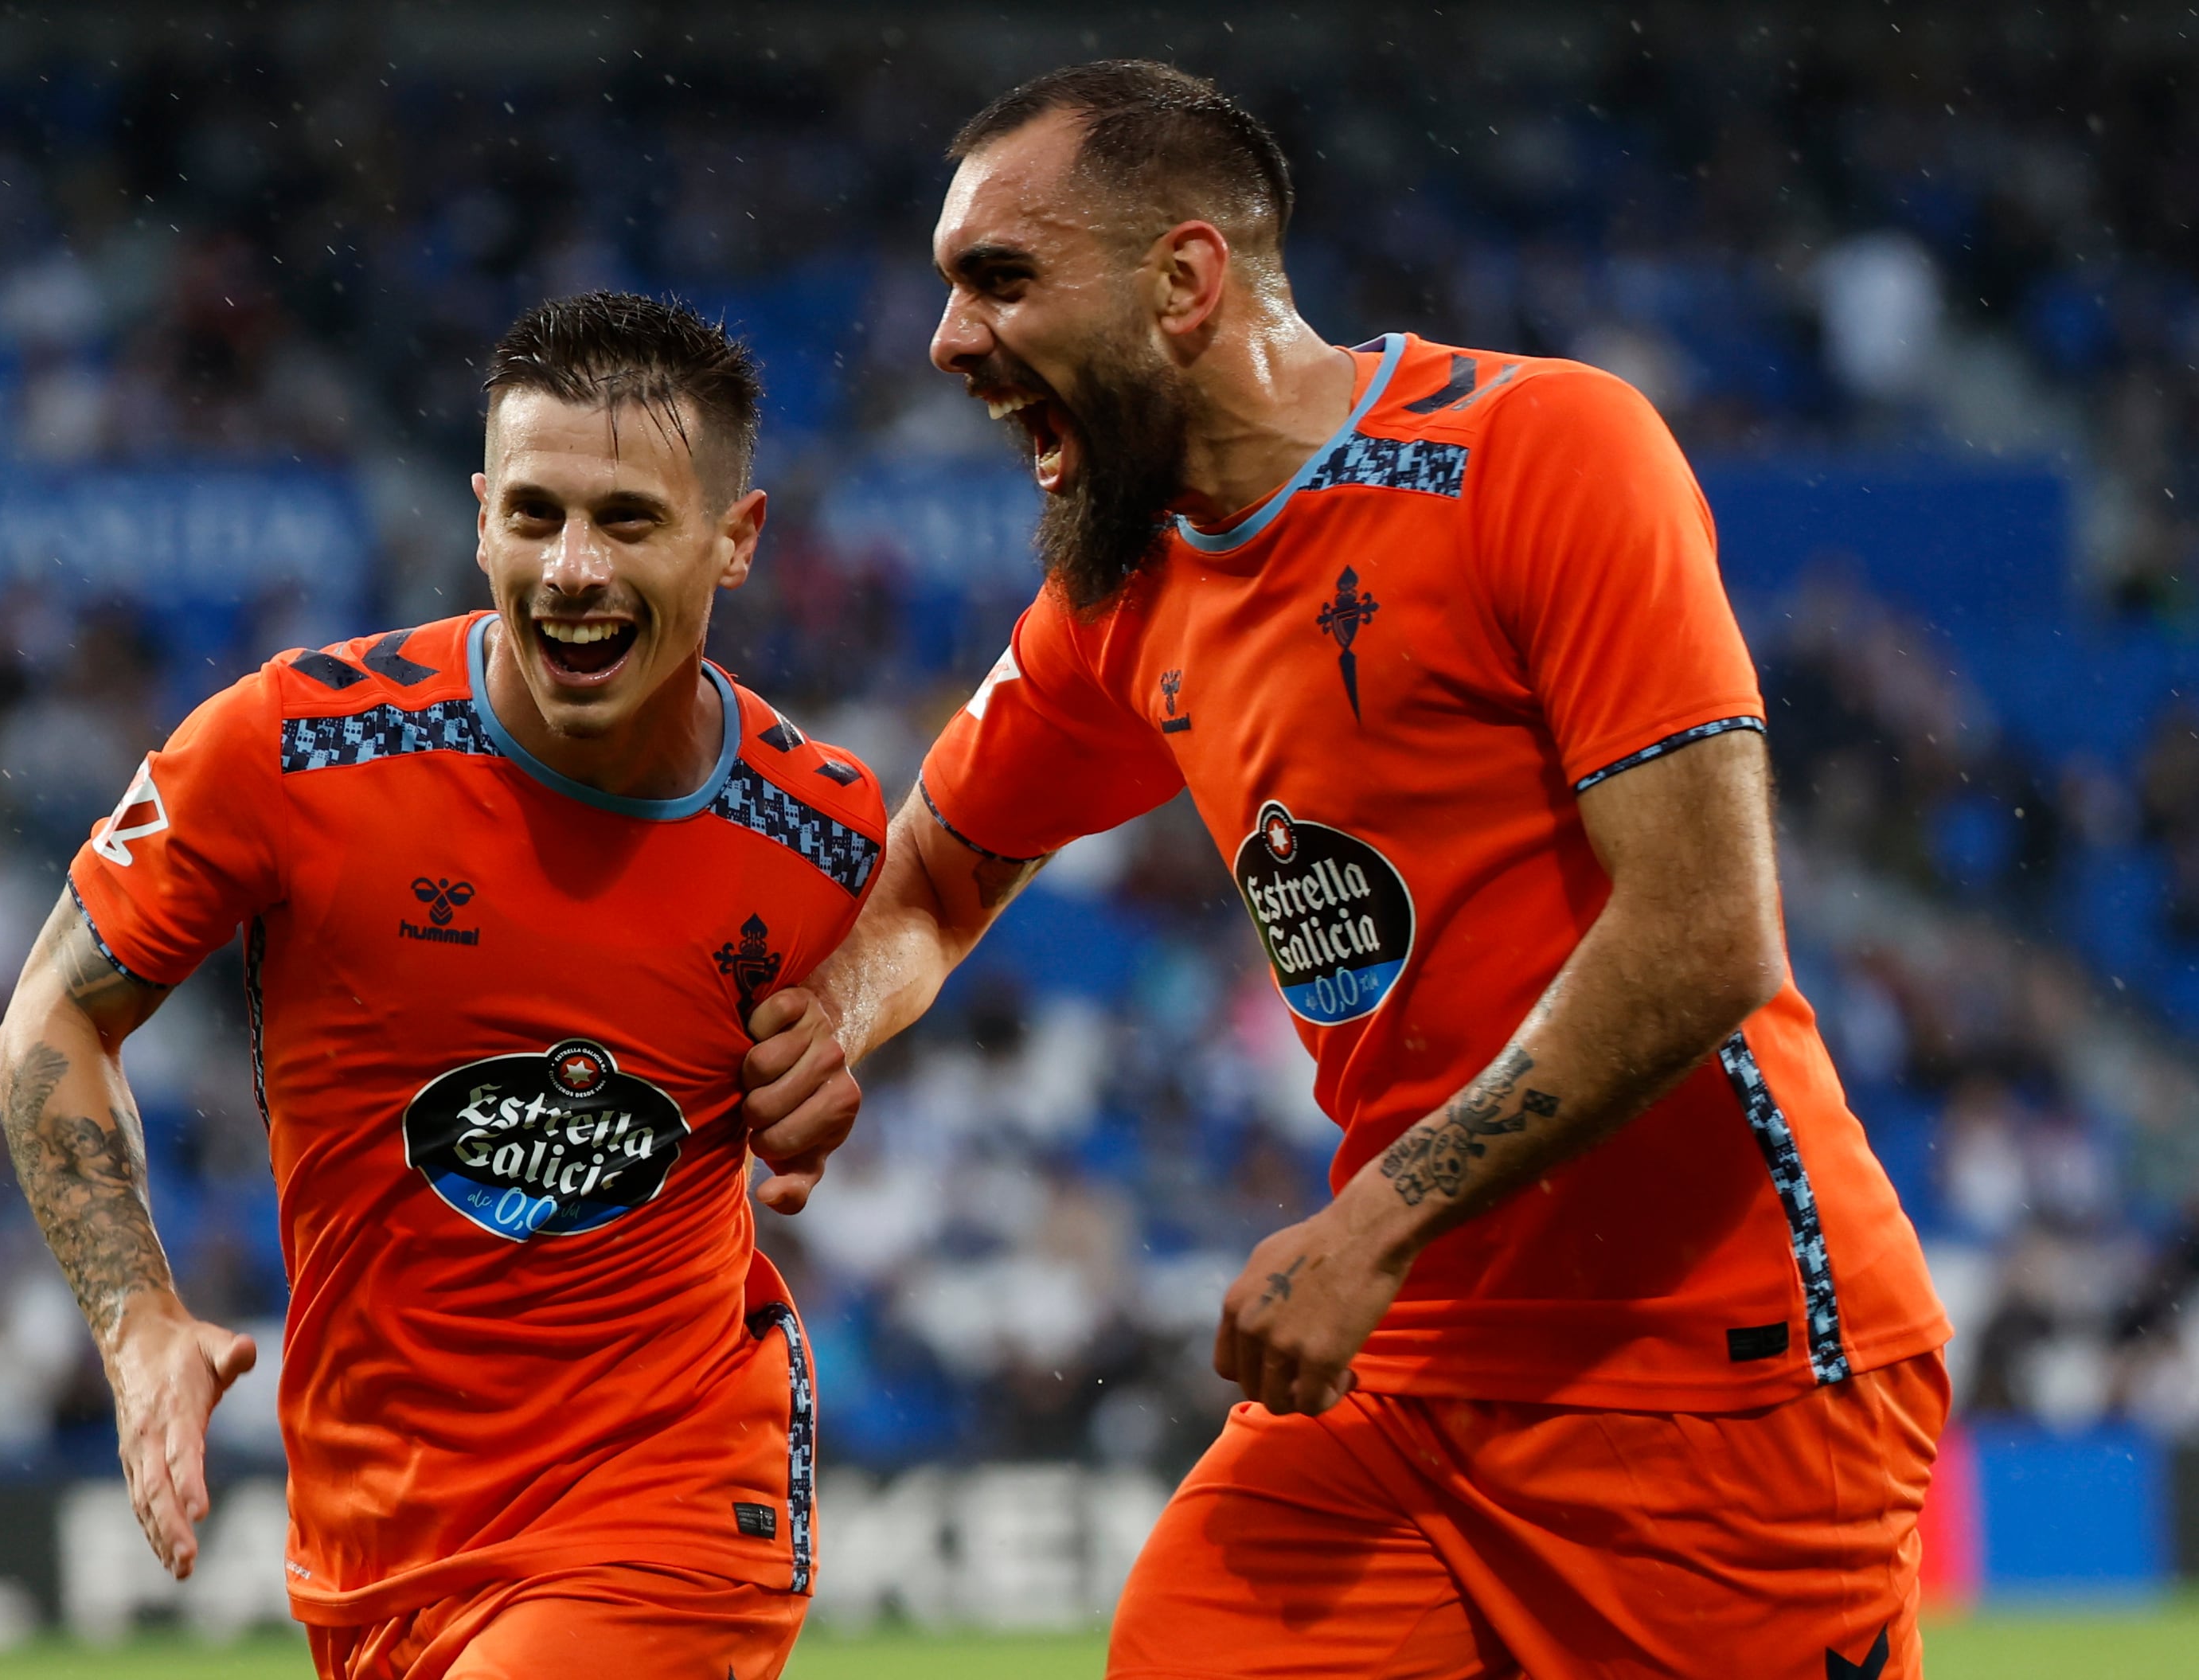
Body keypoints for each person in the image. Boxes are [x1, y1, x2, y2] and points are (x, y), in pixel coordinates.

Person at [740, 61, 1949, 1678]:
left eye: (1000, 279)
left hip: (1718, 1367)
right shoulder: (1124, 590)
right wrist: (828, 1022)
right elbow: (941, 872)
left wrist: (1375, 1219)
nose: (950, 340)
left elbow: (1707, 930)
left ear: (1184, 280)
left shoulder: (1544, 449)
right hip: (1409, 1377)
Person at [0, 291, 886, 1680]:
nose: (572, 567)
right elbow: (52, 1013)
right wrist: (137, 1319)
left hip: (669, 1500)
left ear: (738, 540)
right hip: (369, 1552)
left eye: (631, 520)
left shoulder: (819, 837)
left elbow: (854, 1011)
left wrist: (833, 1063)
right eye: (533, 514)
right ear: (478, 516)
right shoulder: (286, 751)